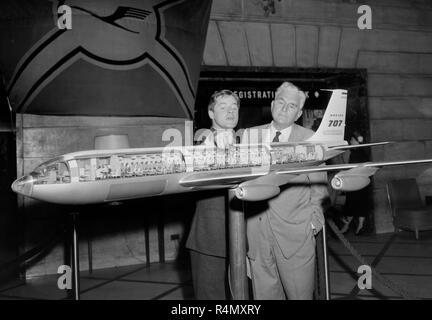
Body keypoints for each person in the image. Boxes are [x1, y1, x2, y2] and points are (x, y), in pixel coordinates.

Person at [243, 82, 328, 300]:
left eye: (291, 106)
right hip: (257, 236)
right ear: (272, 104)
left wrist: (312, 223)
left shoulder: (311, 139)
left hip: (296, 235)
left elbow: (319, 188)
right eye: (280, 102)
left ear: (299, 113)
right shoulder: (248, 136)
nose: (284, 108)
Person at [185, 90, 240, 300]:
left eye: (234, 107)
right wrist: (215, 139)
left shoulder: (244, 141)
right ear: (210, 113)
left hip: (242, 240)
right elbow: (198, 154)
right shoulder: (201, 140)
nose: (230, 111)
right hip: (210, 240)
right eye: (223, 107)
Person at [340, 131, 370, 235]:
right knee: (361, 204)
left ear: (357, 142)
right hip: (363, 183)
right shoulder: (363, 152)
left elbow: (351, 169)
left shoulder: (355, 154)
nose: (351, 142)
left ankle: (347, 226)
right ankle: (360, 226)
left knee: (352, 204)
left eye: (352, 140)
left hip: (355, 183)